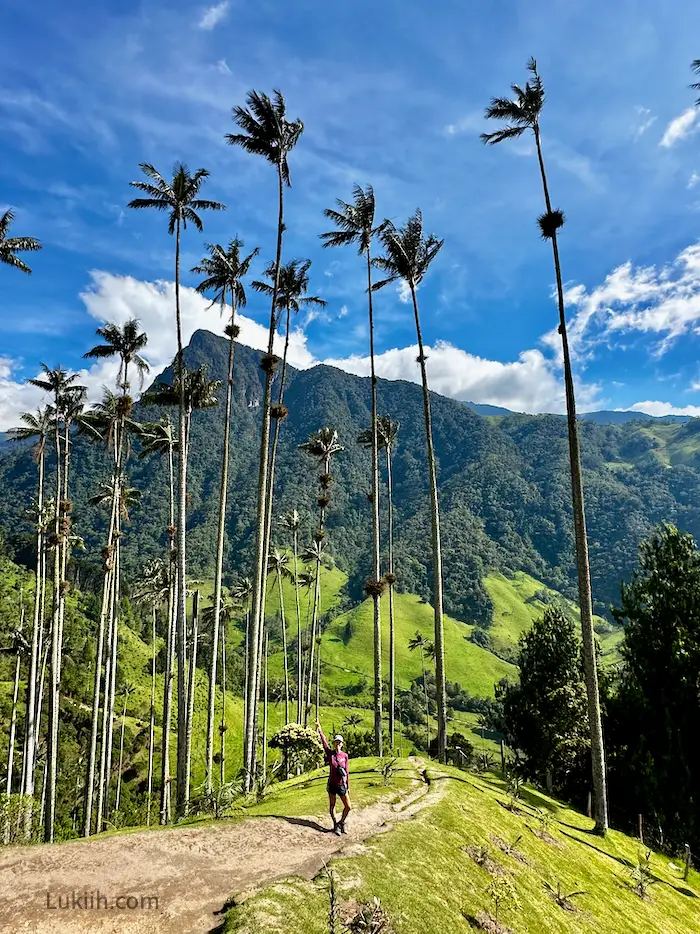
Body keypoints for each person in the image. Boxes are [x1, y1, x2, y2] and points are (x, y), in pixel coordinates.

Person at [316, 719, 351, 836]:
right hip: (332, 784)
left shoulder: (345, 756)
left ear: (342, 744)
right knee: (332, 806)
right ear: (334, 743)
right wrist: (319, 729)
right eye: (336, 742)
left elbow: (347, 772)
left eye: (339, 742)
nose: (338, 744)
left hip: (342, 785)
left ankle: (342, 822)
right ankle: (336, 824)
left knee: (348, 806)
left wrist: (348, 786)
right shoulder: (330, 754)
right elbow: (324, 742)